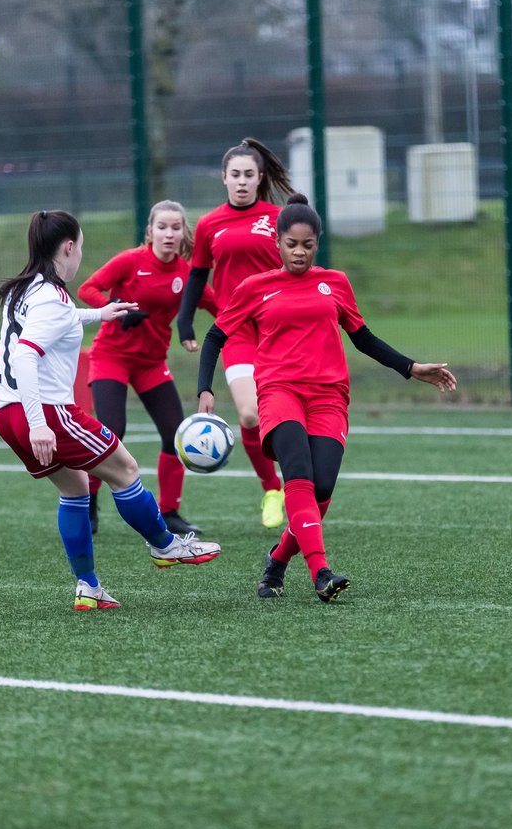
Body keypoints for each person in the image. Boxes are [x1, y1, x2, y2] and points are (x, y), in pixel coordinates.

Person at [196, 194, 457, 602]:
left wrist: (411, 368)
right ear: (277, 244)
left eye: (307, 245)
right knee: (297, 475)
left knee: (321, 490)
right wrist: (205, 389)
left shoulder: (334, 282)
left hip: (329, 396)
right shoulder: (255, 287)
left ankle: (277, 562)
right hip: (279, 391)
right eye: (291, 244)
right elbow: (215, 336)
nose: (298, 252)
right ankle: (321, 572)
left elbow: (363, 338)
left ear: (317, 243)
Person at [0, 210, 221, 612]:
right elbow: (28, 355)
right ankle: (166, 546)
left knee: (75, 488)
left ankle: (89, 587)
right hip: (43, 410)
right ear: (67, 247)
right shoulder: (50, 295)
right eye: (80, 247)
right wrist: (39, 424)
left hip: (4, 412)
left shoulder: (25, 288)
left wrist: (99, 313)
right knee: (126, 470)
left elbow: (51, 321)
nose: (81, 255)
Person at [77, 200, 218, 537]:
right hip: (111, 355)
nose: (169, 234)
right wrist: (115, 307)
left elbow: (220, 308)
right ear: (150, 231)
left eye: (175, 228)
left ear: (184, 232)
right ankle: (89, 502)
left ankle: (169, 512)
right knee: (112, 430)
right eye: (162, 227)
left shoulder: (187, 273)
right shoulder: (130, 261)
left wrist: (252, 329)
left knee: (176, 433)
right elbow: (87, 289)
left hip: (152, 363)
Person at [176, 137, 292, 530]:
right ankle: (271, 488)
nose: (242, 181)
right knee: (249, 413)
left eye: (249, 175)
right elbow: (196, 275)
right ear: (223, 178)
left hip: (280, 328)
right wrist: (185, 319)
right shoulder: (210, 224)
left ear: (260, 179)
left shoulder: (279, 219)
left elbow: (299, 266)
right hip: (237, 328)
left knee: (288, 414)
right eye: (235, 175)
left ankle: (298, 487)